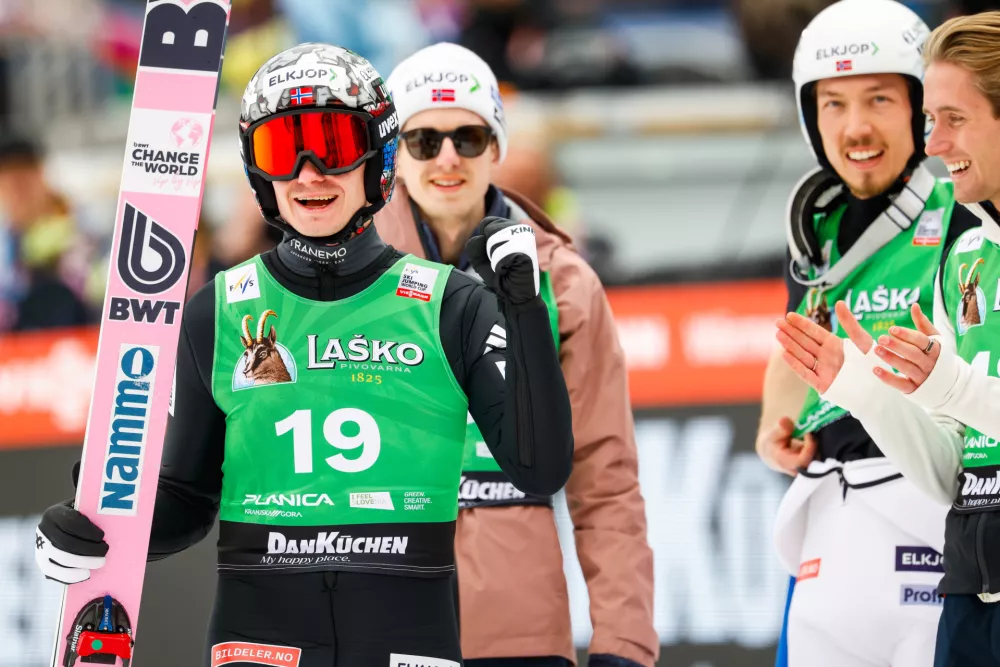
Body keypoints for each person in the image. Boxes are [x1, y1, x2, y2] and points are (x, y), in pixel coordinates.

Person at [32, 43, 575, 667]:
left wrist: (525, 311)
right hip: (256, 637)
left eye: (334, 146)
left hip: (406, 636)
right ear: (258, 172)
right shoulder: (220, 311)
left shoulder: (450, 305)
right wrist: (99, 527)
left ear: (380, 155)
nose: (309, 172)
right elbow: (186, 499)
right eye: (281, 151)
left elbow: (540, 467)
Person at [374, 43, 656, 667]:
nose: (447, 158)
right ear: (392, 154)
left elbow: (605, 482)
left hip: (520, 634)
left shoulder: (565, 283)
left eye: (468, 137)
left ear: (496, 147)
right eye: (423, 141)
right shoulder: (344, 284)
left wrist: (624, 643)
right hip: (375, 631)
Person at [756, 1, 980, 665]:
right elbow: (794, 347)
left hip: (932, 515)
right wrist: (777, 426)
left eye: (879, 98)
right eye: (833, 104)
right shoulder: (815, 229)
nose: (856, 127)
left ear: (921, 108)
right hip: (830, 515)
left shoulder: (967, 216)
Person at [0, 134, 98, 331]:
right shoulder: (6, 238)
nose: (18, 193)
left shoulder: (77, 224)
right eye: (9, 184)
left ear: (41, 175)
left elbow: (93, 289)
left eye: (24, 182)